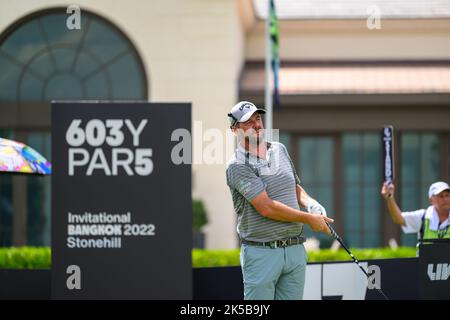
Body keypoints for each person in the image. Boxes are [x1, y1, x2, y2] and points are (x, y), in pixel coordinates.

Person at [225, 101, 334, 300]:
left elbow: (293, 187)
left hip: (294, 251)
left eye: (257, 118)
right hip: (261, 253)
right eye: (248, 122)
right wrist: (308, 219)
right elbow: (266, 207)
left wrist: (311, 203)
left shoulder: (279, 149)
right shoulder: (237, 165)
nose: (256, 125)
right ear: (235, 130)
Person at [381, 181, 450, 242]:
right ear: (431, 200)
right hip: (426, 257)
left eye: (447, 195)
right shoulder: (423, 216)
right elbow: (398, 219)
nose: (445, 199)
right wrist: (389, 198)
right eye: (441, 196)